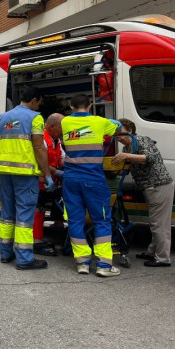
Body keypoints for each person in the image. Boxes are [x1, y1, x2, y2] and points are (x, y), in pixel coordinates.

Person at [0, 86, 53, 270]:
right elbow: (39, 147)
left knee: (7, 215)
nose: (38, 107)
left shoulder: (2, 118)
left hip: (4, 173)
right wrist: (47, 174)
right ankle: (25, 259)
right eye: (39, 103)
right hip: (25, 175)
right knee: (25, 216)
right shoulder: (35, 118)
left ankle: (5, 253)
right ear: (34, 99)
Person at [61, 94, 120, 277]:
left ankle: (82, 263)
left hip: (71, 180)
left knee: (75, 221)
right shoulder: (100, 122)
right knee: (101, 220)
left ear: (71, 106)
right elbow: (117, 127)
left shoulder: (65, 123)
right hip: (94, 179)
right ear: (90, 105)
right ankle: (103, 265)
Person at [112, 118, 174, 267]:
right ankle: (152, 252)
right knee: (155, 222)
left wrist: (126, 157)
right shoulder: (126, 149)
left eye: (121, 134)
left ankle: (163, 258)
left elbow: (151, 158)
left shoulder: (141, 140)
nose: (119, 138)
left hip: (159, 185)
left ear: (131, 131)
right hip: (150, 187)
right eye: (116, 135)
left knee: (159, 224)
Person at [33, 113, 65, 256]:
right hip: (40, 183)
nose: (64, 130)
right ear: (51, 126)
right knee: (38, 211)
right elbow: (40, 162)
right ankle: (36, 242)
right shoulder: (43, 140)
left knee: (60, 202)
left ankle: (58, 229)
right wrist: (56, 172)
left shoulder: (56, 140)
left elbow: (63, 157)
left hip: (51, 183)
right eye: (61, 127)